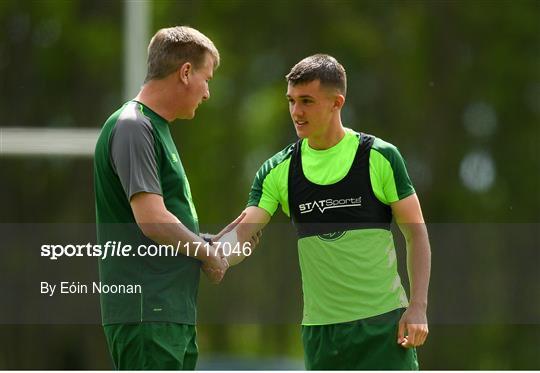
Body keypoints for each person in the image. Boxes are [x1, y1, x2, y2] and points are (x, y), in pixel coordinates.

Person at [230, 54, 431, 369]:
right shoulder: (277, 169)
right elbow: (243, 232)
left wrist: (418, 307)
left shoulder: (380, 156)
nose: (296, 112)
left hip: (383, 327)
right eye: (291, 101)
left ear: (337, 102)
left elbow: (416, 233)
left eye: (307, 101)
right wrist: (207, 253)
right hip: (321, 334)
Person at [94, 26, 239, 370]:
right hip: (148, 314)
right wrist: (207, 255)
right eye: (207, 78)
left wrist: (203, 242)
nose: (207, 93)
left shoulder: (155, 128)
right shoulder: (134, 126)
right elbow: (153, 220)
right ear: (186, 72)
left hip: (167, 314)